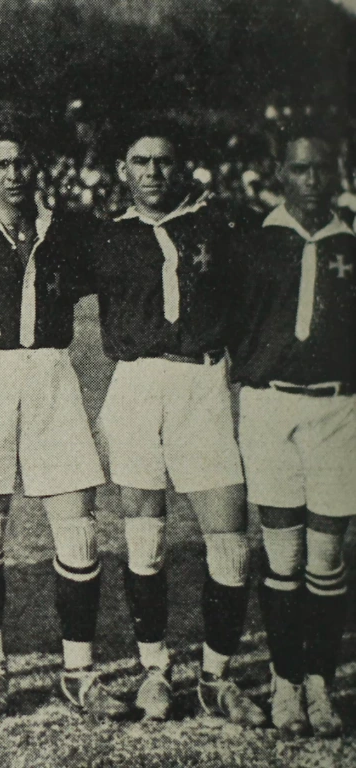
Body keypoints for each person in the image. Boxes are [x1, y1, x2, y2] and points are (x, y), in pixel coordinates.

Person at [0, 109, 127, 720]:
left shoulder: (70, 231)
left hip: (52, 371)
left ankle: (78, 673)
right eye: (1, 164)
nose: (14, 173)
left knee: (76, 521)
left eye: (23, 161)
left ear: (38, 166)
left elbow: (128, 259)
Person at [94, 116, 265, 726]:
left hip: (203, 382)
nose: (152, 172)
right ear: (122, 170)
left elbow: (256, 291)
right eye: (140, 162)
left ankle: (216, 677)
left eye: (163, 161)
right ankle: (155, 671)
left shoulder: (217, 226)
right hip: (137, 384)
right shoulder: (105, 235)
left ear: (181, 167)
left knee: (229, 537)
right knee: (146, 536)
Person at [231, 122, 355, 739]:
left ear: (336, 174)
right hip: (271, 408)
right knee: (283, 558)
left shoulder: (351, 244)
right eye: (300, 169)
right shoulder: (255, 243)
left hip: (339, 411)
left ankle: (320, 684)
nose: (311, 181)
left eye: (321, 169)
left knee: (327, 556)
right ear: (281, 173)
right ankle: (285, 684)